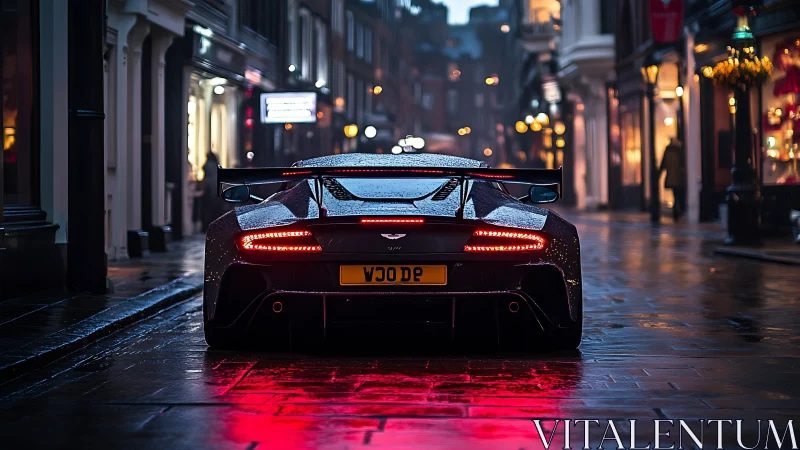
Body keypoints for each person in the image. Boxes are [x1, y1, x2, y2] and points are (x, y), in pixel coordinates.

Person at [660, 138, 687, 221]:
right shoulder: (680, 152)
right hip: (679, 178)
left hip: (671, 177)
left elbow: (663, 165)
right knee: (678, 195)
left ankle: (676, 210)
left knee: (675, 195)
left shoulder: (668, 151)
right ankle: (678, 210)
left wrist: (658, 175)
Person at [202, 151, 220, 231]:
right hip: (215, 187)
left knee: (207, 209)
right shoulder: (216, 165)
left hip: (209, 188)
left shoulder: (208, 165)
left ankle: (206, 225)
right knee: (215, 209)